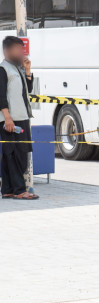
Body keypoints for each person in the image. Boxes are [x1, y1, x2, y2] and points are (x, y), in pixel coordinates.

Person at [0, 36, 38, 200]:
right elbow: (1, 96)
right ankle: (19, 190)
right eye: (18, 49)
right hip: (11, 119)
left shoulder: (17, 68)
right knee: (17, 155)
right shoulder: (3, 69)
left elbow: (27, 90)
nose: (21, 52)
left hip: (21, 117)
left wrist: (28, 71)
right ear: (7, 51)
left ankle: (8, 189)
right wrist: (7, 117)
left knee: (12, 154)